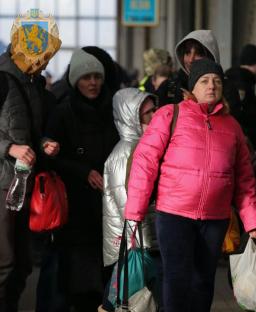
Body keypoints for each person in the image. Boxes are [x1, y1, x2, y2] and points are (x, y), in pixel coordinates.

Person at [125, 58, 256, 312]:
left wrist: (253, 220)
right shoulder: (170, 115)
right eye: (204, 81)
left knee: (203, 282)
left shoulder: (232, 126)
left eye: (217, 81)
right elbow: (144, 163)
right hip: (174, 215)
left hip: (215, 218)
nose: (211, 86)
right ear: (192, 88)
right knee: (177, 279)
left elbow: (244, 179)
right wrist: (134, 211)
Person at [45, 48, 119, 311]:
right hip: (75, 209)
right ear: (76, 80)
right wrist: (82, 172)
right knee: (79, 280)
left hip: (108, 207)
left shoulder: (113, 109)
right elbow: (52, 157)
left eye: (97, 77)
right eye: (86, 77)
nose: (93, 83)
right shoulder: (63, 112)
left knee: (106, 273)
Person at [0, 24, 61, 311]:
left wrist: (44, 143)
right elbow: (14, 140)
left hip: (22, 183)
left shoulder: (32, 83)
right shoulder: (2, 78)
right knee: (5, 262)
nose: (45, 63)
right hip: (2, 184)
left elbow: (30, 133)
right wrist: (9, 148)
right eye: (42, 56)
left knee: (23, 263)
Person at [101, 88, 157, 311]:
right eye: (147, 114)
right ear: (130, 117)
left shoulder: (140, 146)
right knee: (127, 299)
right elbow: (130, 206)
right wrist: (147, 244)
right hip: (136, 244)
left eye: (155, 110)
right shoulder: (126, 152)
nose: (155, 117)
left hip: (136, 243)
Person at [171, 30, 242, 120]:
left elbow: (233, 128)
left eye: (198, 53)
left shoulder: (227, 89)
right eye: (187, 52)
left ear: (211, 56)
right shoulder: (174, 84)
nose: (191, 59)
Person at [226, 44, 256, 151]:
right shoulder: (241, 83)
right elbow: (235, 114)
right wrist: (245, 138)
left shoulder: (241, 80)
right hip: (243, 144)